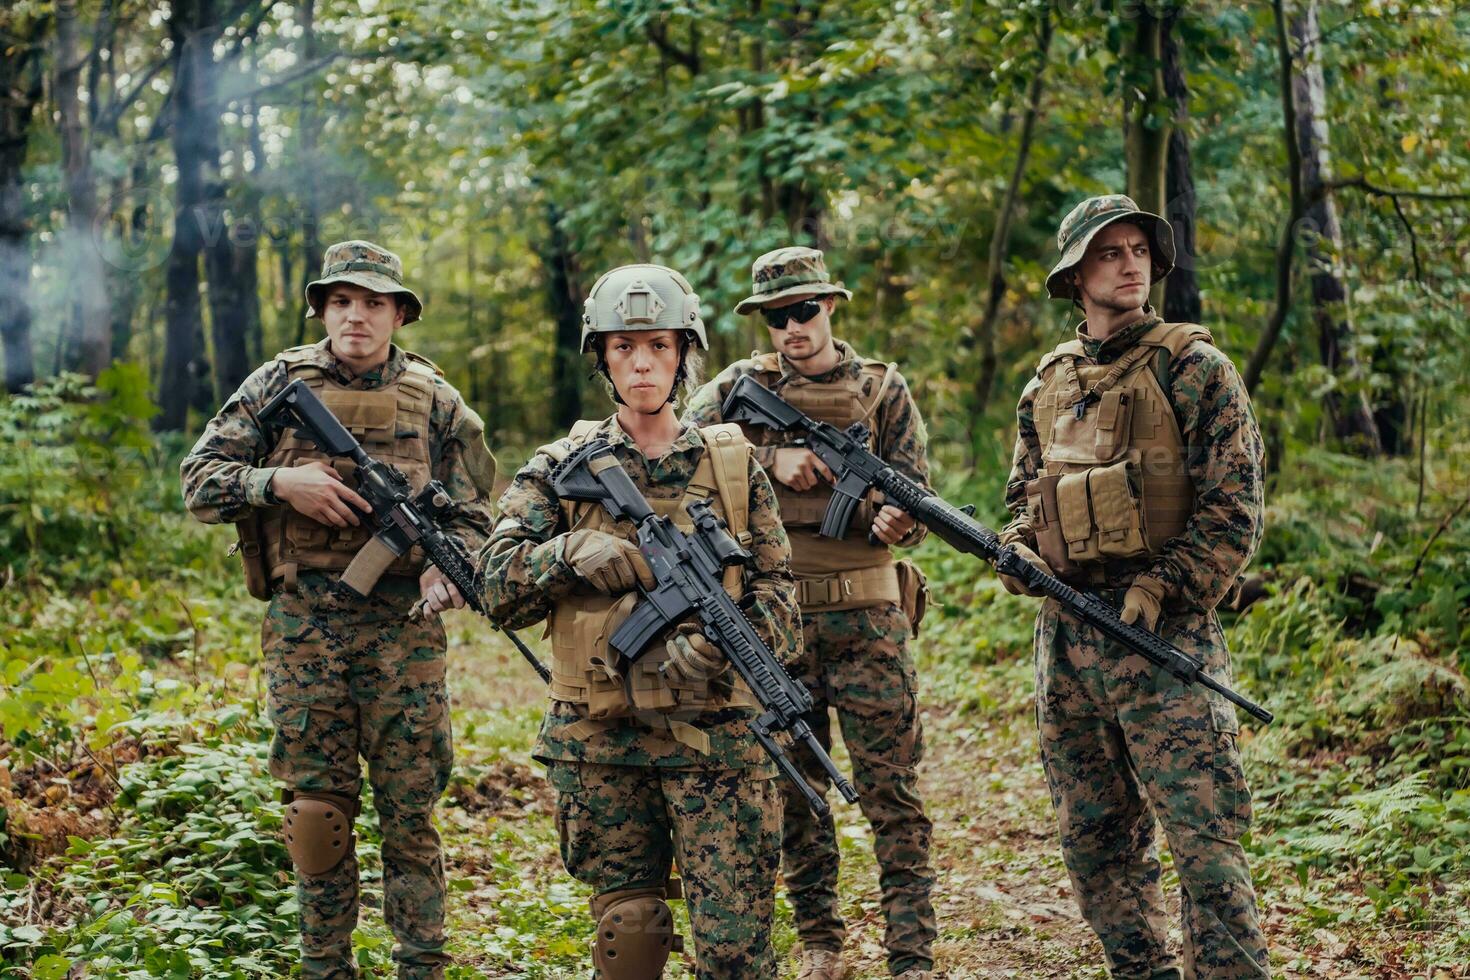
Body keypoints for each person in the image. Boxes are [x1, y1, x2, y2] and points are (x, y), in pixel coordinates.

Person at [180, 240, 496, 979]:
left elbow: (482, 513)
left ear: (398, 314)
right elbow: (199, 482)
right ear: (322, 308)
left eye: (374, 303)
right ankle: (326, 966)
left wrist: (447, 573)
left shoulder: (437, 400)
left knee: (410, 813)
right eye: (342, 301)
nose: (356, 316)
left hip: (403, 636)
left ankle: (422, 964)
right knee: (317, 815)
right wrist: (279, 484)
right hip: (303, 631)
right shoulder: (277, 383)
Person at [476, 264, 800, 978]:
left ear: (685, 352)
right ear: (602, 357)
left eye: (657, 344)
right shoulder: (562, 467)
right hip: (602, 741)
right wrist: (567, 551)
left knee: (736, 951)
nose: (643, 362)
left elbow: (779, 596)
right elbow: (493, 585)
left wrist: (721, 652)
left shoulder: (735, 464)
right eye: (624, 347)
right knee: (630, 936)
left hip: (718, 746)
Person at [999, 195, 1270, 978]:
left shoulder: (1195, 369)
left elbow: (1235, 510)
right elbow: (1024, 497)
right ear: (1075, 273)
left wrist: (1163, 588)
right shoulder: (1046, 384)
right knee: (1094, 844)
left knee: (1204, 843)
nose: (1129, 262)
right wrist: (1022, 553)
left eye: (1138, 249)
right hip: (1070, 645)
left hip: (1164, 638)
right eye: (1108, 251)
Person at [684, 246, 936, 980]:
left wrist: (898, 522)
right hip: (777, 623)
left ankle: (912, 952)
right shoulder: (736, 391)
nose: (791, 328)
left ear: (830, 307)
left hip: (869, 619)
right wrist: (770, 459)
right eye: (775, 317)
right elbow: (680, 459)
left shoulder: (883, 389)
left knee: (893, 788)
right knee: (798, 789)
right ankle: (822, 941)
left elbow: (917, 493)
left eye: (803, 311)